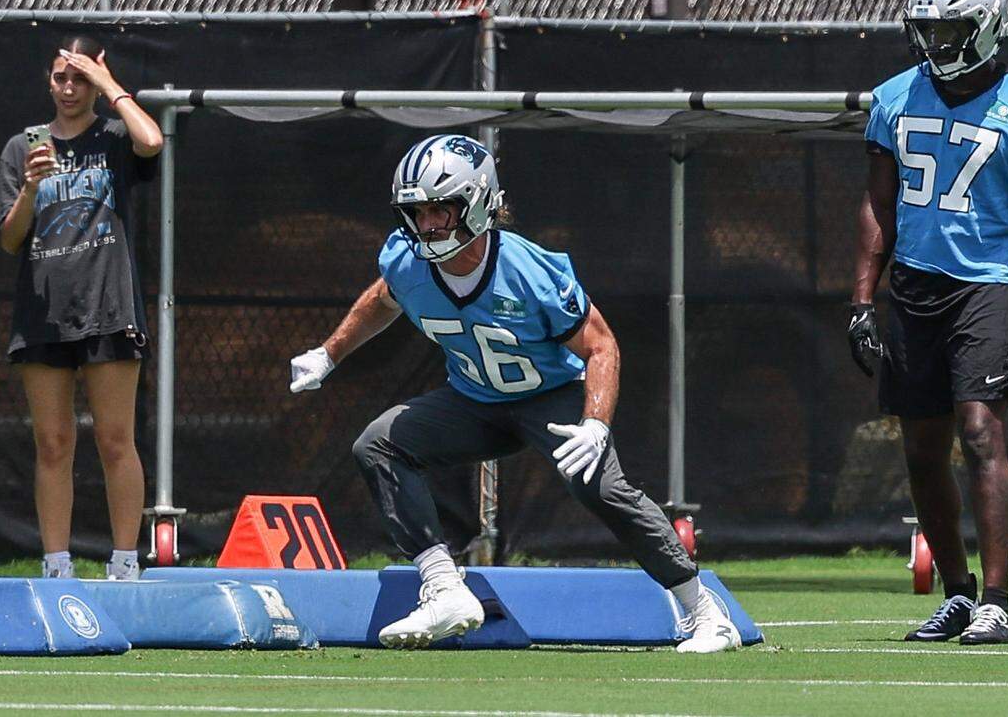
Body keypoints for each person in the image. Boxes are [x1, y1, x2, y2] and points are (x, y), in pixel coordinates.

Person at [291, 134, 741, 653]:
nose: (429, 224)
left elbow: (601, 346)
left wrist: (596, 424)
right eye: (418, 212)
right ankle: (444, 588)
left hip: (551, 397)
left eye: (442, 208)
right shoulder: (407, 260)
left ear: (479, 203)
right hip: (475, 401)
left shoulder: (531, 271)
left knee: (597, 487)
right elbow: (383, 298)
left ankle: (706, 612)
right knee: (378, 444)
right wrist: (329, 353)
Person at [848, 0, 1008, 645]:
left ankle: (997, 600)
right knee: (920, 448)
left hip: (987, 286)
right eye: (928, 29)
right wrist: (861, 299)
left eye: (949, 28)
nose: (935, 43)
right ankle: (956, 593)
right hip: (914, 286)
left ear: (988, 25)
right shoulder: (893, 97)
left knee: (980, 431)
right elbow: (878, 206)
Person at [0, 36, 163, 580]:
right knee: (53, 442)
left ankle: (125, 563)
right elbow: (10, 240)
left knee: (115, 440)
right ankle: (57, 565)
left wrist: (110, 84)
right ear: (48, 81)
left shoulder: (113, 137)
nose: (68, 88)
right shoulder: (24, 147)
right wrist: (31, 189)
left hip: (109, 309)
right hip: (44, 315)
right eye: (61, 77)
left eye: (78, 78)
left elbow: (152, 141)